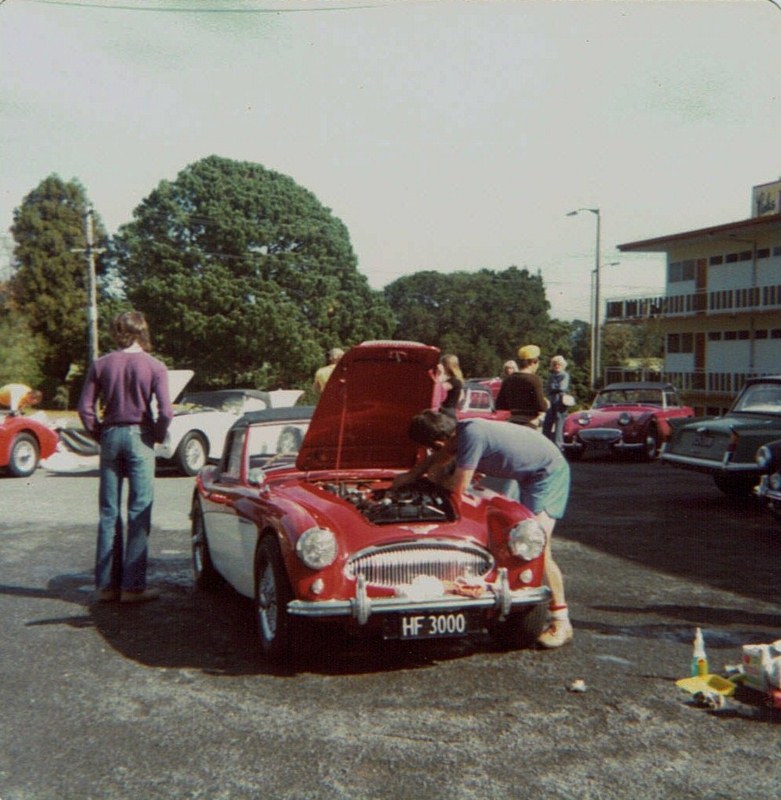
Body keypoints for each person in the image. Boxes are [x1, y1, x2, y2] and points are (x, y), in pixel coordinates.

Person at [393, 410, 573, 648]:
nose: (435, 452)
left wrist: (434, 480)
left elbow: (458, 487)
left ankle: (561, 621)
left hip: (548, 474)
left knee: (537, 545)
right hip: (526, 473)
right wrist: (412, 475)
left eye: (432, 448)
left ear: (438, 441)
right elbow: (441, 455)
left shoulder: (472, 436)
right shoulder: (461, 430)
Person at [78, 311, 173, 604]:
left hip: (110, 436)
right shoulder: (155, 366)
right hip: (140, 436)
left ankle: (106, 587)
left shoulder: (101, 364)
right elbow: (166, 411)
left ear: (117, 332)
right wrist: (156, 435)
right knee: (139, 511)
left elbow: (85, 408)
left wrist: (100, 434)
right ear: (142, 331)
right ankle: (133, 588)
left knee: (109, 512)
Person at [495, 344, 549, 428]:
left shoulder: (508, 379)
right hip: (529, 423)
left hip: (512, 422)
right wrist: (547, 403)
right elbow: (541, 406)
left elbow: (499, 404)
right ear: (533, 362)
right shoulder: (534, 379)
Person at [542, 355, 571, 449]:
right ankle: (545, 445)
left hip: (560, 401)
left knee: (559, 425)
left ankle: (559, 447)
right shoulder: (551, 376)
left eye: (559, 364)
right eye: (555, 364)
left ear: (563, 365)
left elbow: (562, 387)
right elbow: (548, 388)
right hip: (551, 401)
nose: (557, 366)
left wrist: (553, 387)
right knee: (547, 423)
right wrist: (554, 387)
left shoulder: (565, 375)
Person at [436, 353, 464, 418]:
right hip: (450, 412)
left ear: (446, 366)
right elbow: (461, 398)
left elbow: (439, 390)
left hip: (446, 413)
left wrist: (440, 374)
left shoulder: (453, 381)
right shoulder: (456, 380)